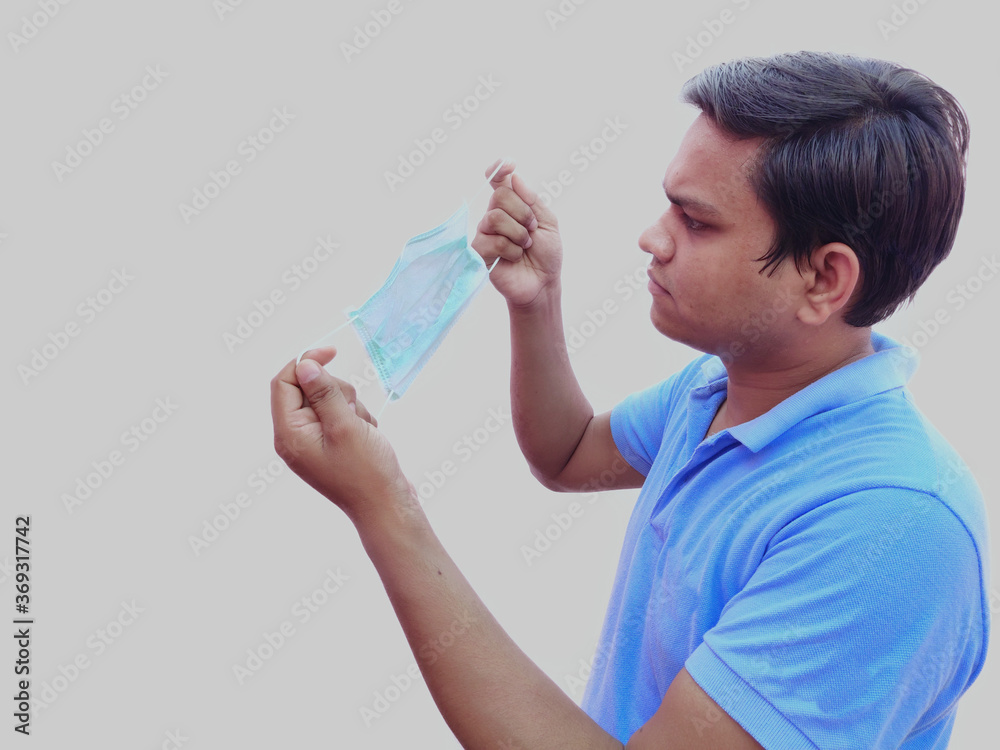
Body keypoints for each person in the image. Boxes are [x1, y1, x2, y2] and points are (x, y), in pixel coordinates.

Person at [270, 51, 989, 749]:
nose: (652, 238)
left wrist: (383, 507)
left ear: (826, 280)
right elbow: (571, 451)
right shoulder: (721, 387)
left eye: (696, 222)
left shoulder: (888, 525)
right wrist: (537, 300)